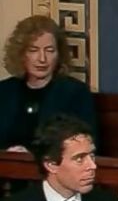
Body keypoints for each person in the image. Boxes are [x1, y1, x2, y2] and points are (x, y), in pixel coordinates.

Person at [0, 15, 98, 152]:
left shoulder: (75, 93)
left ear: (59, 54)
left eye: (50, 50)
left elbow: (85, 146)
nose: (42, 59)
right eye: (33, 50)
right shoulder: (4, 91)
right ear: (21, 54)